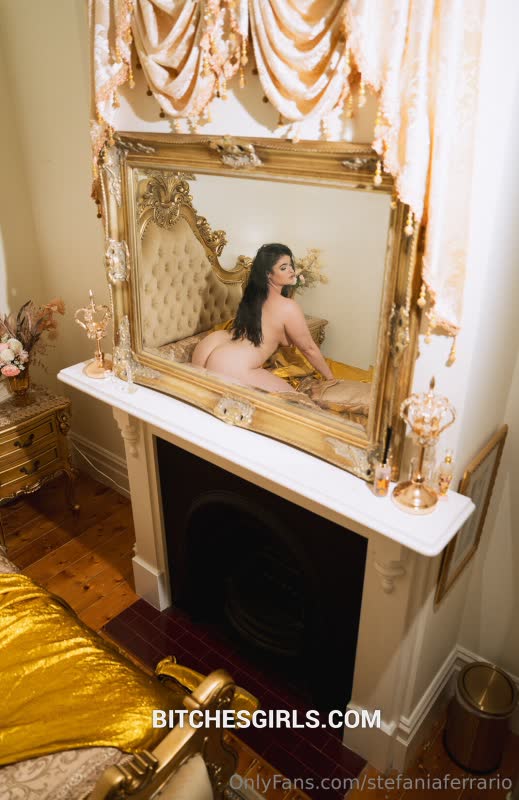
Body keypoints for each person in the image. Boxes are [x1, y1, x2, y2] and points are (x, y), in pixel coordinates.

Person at [191, 243, 334, 392]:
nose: (291, 270)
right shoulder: (288, 307)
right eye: (283, 268)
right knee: (297, 402)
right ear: (268, 274)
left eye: (291, 265)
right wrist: (331, 379)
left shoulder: (252, 297)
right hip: (232, 362)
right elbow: (309, 348)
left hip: (210, 345)